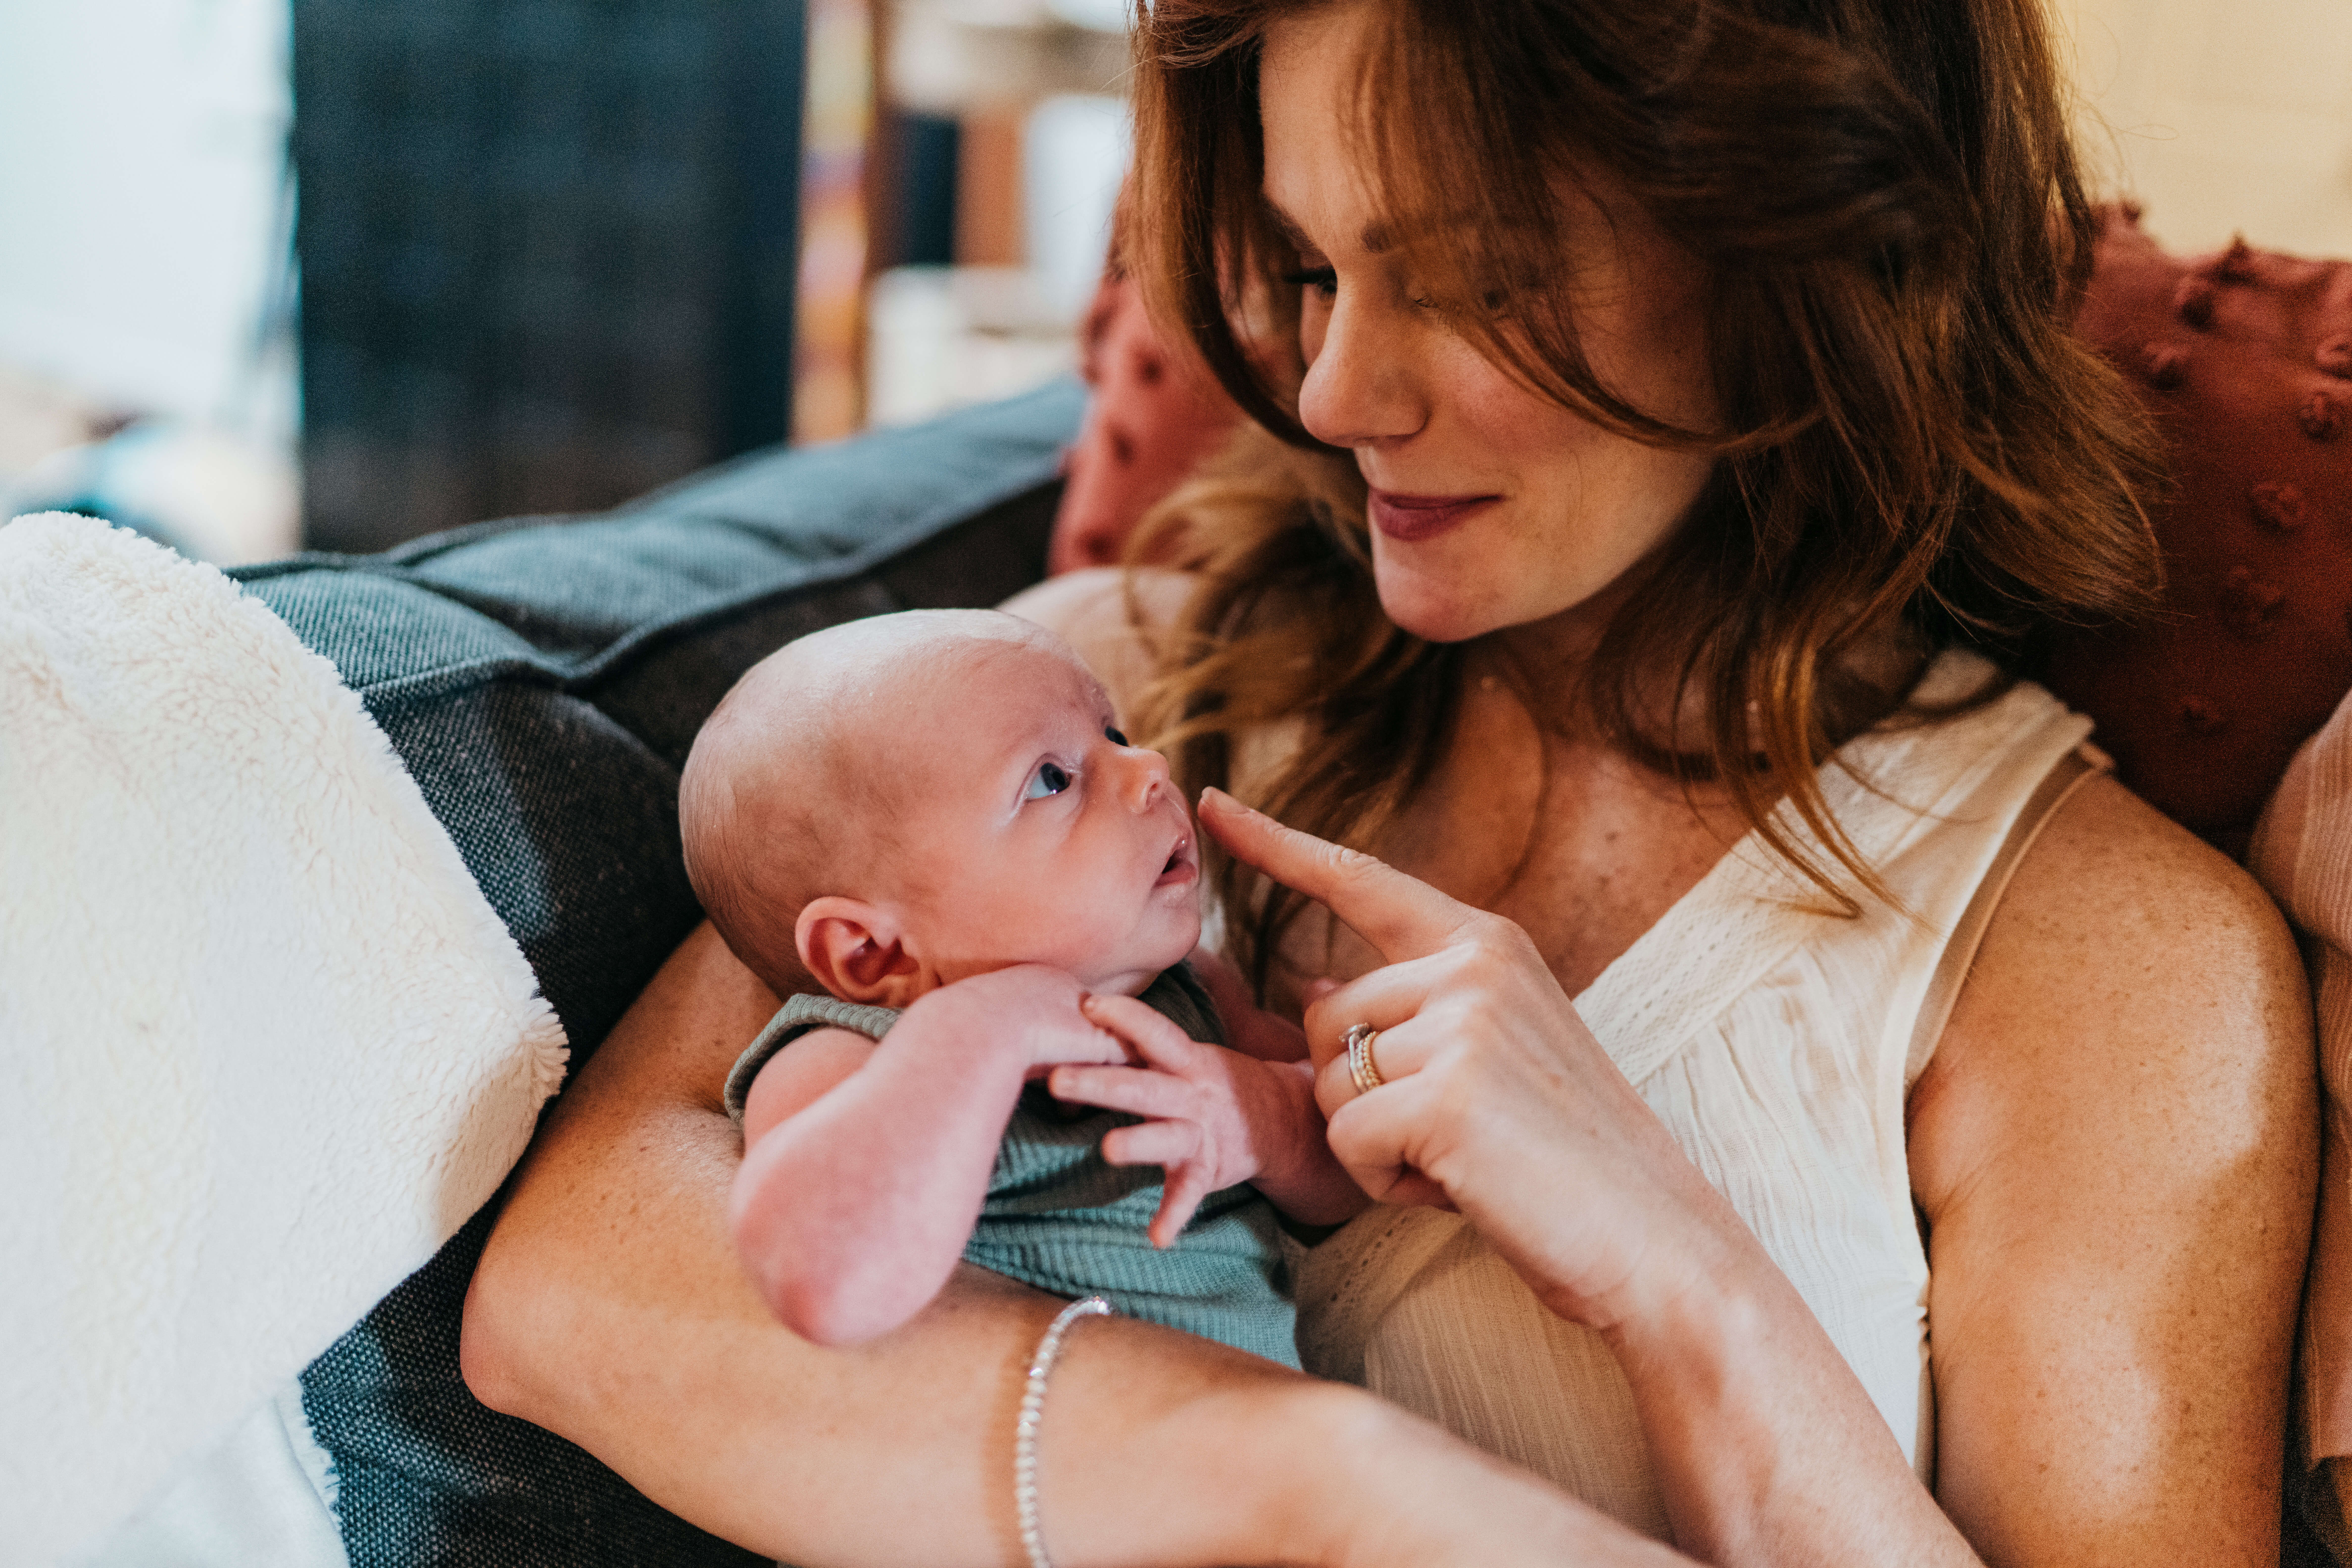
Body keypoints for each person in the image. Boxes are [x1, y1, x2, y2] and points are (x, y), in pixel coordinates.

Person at [460, 1, 2319, 1564]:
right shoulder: (1089, 689)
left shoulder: (2106, 965)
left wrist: (1682, 1278)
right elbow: (570, 1288)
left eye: (1476, 281)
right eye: (1308, 265)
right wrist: (1328, 1485)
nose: (1338, 387)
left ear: (1802, 262)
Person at [677, 610, 1365, 1362]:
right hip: (1025, 1452)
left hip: (1254, 1436)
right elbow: (824, 1285)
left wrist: (1260, 1117)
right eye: (1051, 780)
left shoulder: (1187, 992)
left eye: (1117, 738)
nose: (1152, 768)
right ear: (874, 955)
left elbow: (1348, 1184)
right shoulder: (848, 1062)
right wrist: (973, 1034)